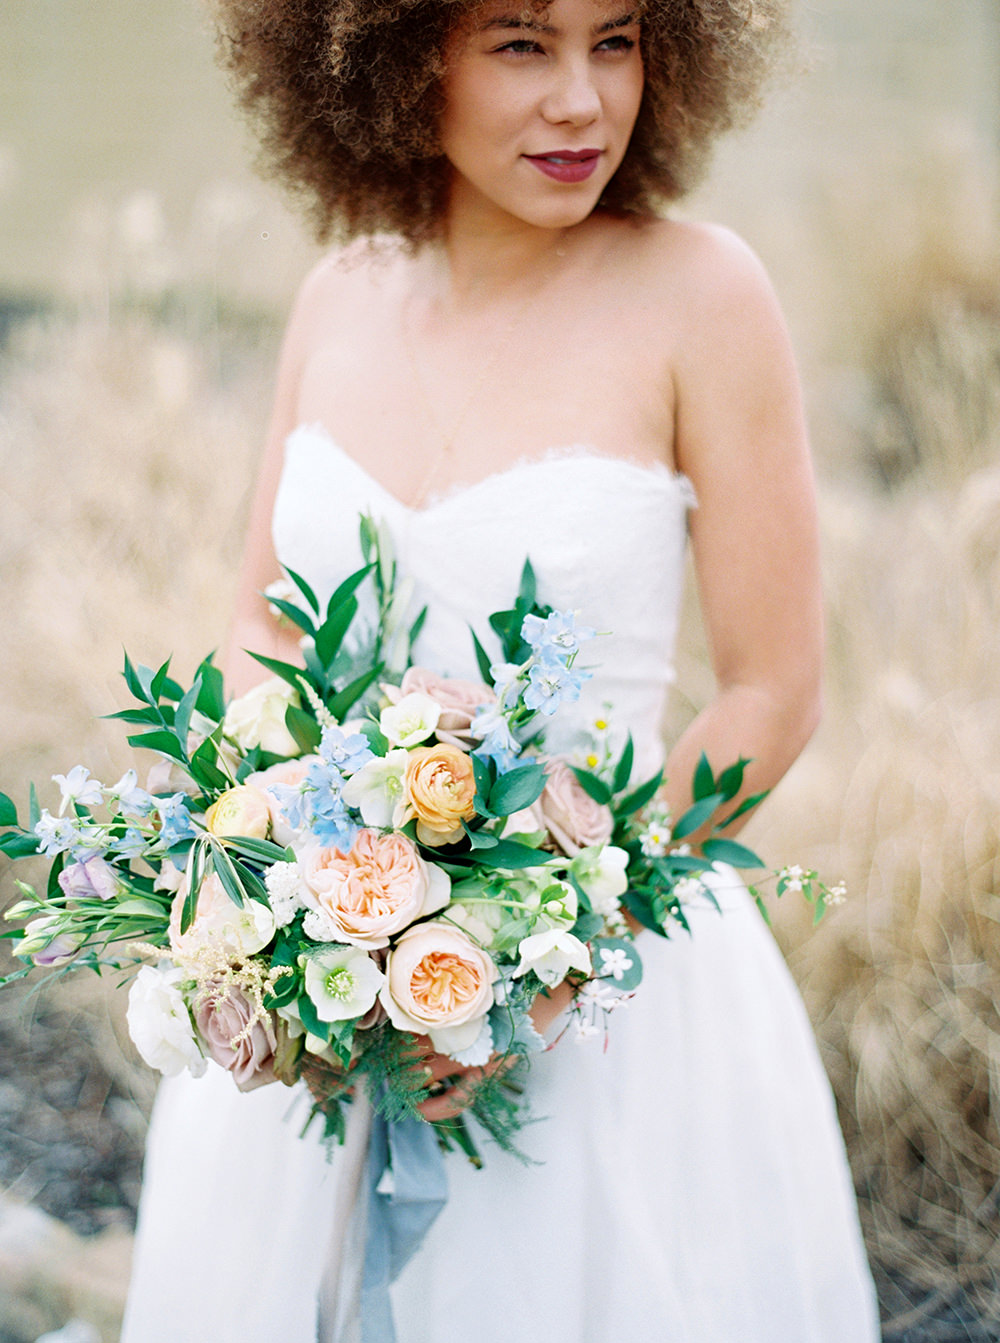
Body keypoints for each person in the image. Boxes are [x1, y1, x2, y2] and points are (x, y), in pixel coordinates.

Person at [121, 0, 880, 1337]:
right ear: (401, 55)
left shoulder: (705, 295)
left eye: (617, 39)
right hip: (330, 971)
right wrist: (291, 889)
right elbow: (265, 631)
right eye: (523, 43)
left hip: (615, 994)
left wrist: (550, 946)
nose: (584, 99)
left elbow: (774, 689)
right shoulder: (338, 292)